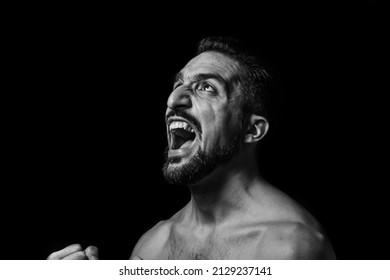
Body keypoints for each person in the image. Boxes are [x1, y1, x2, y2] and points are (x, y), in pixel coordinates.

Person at [48, 36, 336, 260]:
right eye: (179, 84)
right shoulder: (154, 245)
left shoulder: (289, 247)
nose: (174, 100)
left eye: (206, 88)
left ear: (252, 129)